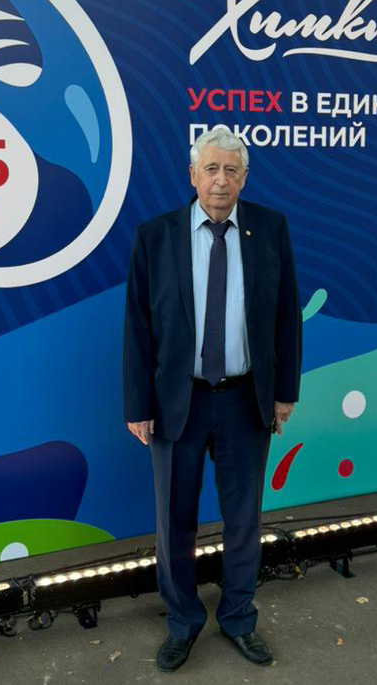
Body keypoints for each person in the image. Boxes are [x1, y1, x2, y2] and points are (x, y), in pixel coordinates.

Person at [123, 127, 301, 671]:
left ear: (244, 178)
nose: (221, 180)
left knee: (243, 519)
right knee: (174, 521)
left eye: (231, 170)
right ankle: (182, 622)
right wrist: (137, 405)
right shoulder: (156, 236)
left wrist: (284, 392)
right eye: (211, 169)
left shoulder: (270, 228)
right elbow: (138, 326)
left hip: (245, 399)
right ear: (192, 175)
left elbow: (286, 315)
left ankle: (239, 618)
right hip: (177, 402)